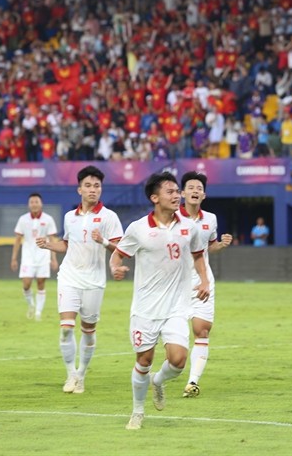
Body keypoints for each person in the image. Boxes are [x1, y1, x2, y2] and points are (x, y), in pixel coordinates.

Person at [110, 172, 210, 430]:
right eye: (170, 192)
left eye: (178, 191)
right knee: (143, 360)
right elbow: (118, 255)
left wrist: (204, 280)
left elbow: (199, 255)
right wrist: (115, 268)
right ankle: (138, 411)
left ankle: (158, 381)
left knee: (178, 362)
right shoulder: (138, 229)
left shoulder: (190, 226)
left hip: (177, 306)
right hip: (145, 308)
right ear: (155, 198)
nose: (177, 195)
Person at [36, 166, 123, 394]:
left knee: (88, 330)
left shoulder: (109, 217)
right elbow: (66, 245)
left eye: (97, 186)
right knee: (66, 328)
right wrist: (48, 245)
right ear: (79, 189)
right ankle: (70, 375)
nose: (93, 190)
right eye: (88, 185)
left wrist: (103, 241)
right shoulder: (69, 217)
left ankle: (82, 374)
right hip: (69, 277)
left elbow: (122, 248)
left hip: (94, 281)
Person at [178, 171, 233, 398]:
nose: (194, 191)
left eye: (198, 188)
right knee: (176, 338)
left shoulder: (210, 219)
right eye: (190, 187)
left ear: (204, 194)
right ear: (182, 193)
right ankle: (163, 373)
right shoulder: (171, 218)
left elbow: (208, 248)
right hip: (175, 285)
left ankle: (192, 382)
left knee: (201, 330)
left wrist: (220, 244)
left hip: (202, 282)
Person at [11, 193, 59, 321]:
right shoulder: (23, 219)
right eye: (32, 202)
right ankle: (31, 305)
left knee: (41, 283)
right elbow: (17, 240)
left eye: (36, 201)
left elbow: (53, 239)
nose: (34, 204)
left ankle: (38, 312)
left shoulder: (48, 219)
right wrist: (14, 258)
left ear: (41, 203)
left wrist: (54, 259)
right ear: (28, 204)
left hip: (43, 256)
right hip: (27, 257)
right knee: (26, 284)